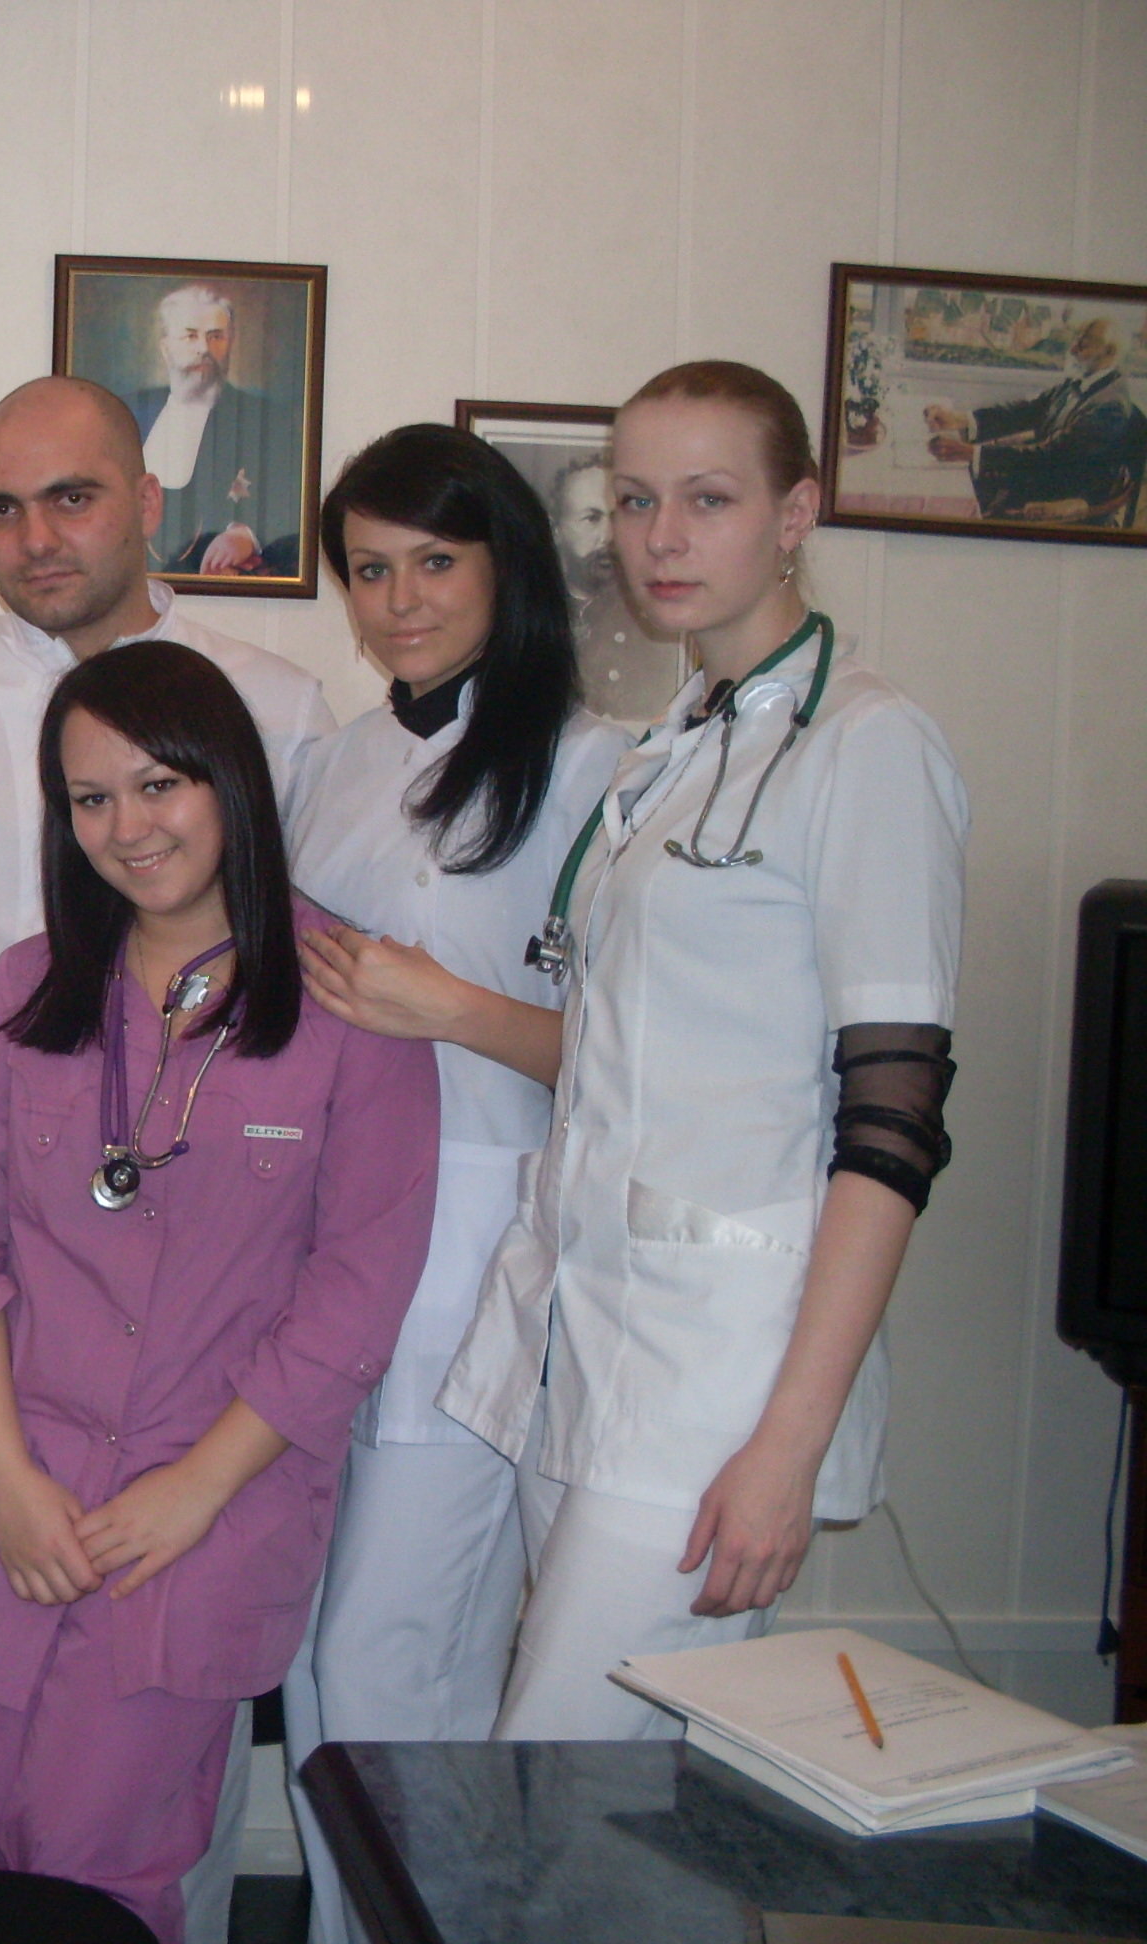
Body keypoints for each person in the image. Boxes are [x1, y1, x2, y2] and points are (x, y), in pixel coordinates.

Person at [0, 372, 332, 1917]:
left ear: (150, 500)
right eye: (1, 507)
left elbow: (316, 968)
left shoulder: (278, 703)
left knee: (165, 1686)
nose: (36, 535)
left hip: (205, 1272)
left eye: (72, 496)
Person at [437, 361, 969, 1737]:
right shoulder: (677, 744)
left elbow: (894, 1128)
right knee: (608, 1797)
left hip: (716, 1383)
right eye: (634, 501)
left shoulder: (867, 746)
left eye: (708, 499)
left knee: (559, 1771)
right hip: (583, 1341)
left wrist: (787, 1443)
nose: (661, 538)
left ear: (795, 514)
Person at [0, 641, 436, 1943]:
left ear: (229, 783)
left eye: (159, 785)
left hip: (199, 1519)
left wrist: (195, 1490)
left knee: (107, 1884)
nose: (127, 828)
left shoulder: (347, 999)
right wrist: (7, 1481)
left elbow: (355, 1298)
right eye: (91, 799)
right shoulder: (25, 992)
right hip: (6, 1502)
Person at [281, 425, 626, 1944]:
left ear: (507, 564)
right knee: (318, 1654)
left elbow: (643, 1071)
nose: (400, 600)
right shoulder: (338, 765)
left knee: (393, 1660)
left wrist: (454, 1010)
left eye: (435, 561)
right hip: (320, 1246)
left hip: (477, 1256)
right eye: (370, 570)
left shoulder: (601, 770)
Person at [126, 284, 301, 577]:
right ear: (166, 348)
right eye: (190, 336)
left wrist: (245, 534)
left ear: (230, 344)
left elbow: (290, 504)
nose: (204, 349)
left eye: (215, 336)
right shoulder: (127, 412)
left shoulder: (269, 420)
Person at [925, 317, 1140, 522]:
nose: (1072, 350)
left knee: (947, 496)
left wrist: (974, 453)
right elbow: (1026, 411)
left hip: (1058, 494)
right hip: (1041, 473)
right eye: (1075, 341)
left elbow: (1052, 455)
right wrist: (960, 419)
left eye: (1083, 345)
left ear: (1110, 352)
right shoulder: (1081, 382)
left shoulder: (1110, 406)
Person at [548, 450, 681, 719]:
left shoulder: (658, 617)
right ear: (556, 529)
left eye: (617, 517)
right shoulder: (537, 614)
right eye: (592, 518)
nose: (609, 536)